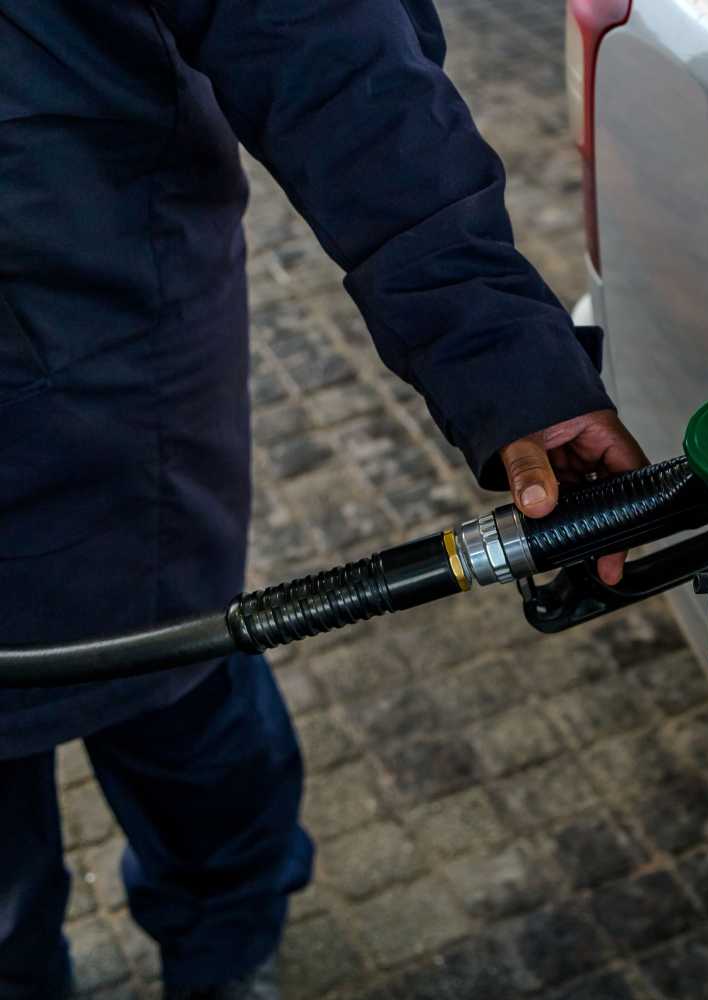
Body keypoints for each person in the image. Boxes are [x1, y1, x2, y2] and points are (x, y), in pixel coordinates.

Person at [0, 3, 647, 997]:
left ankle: (227, 950)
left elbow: (329, 49)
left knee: (191, 725)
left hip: (112, 404)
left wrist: (501, 354)